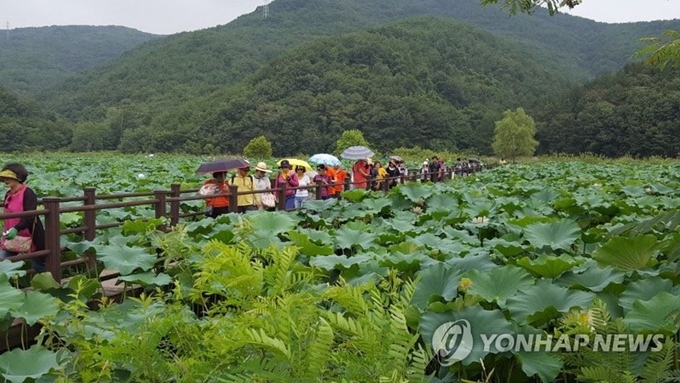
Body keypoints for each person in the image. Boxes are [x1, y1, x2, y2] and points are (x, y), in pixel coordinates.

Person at [0, 163, 46, 273]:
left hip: (30, 236)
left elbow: (29, 216)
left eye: (9, 177)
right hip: (11, 236)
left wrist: (16, 228)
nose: (6, 180)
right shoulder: (8, 194)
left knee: (39, 266)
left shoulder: (28, 193)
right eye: (5, 177)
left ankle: (52, 286)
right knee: (2, 262)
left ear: (19, 177)